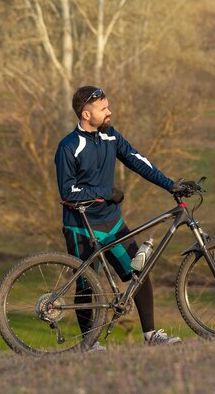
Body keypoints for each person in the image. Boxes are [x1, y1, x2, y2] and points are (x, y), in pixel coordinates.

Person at [54, 85, 181, 348]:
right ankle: (89, 344)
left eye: (107, 106)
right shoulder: (68, 147)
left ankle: (151, 336)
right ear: (86, 114)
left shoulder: (110, 136)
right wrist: (105, 192)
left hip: (113, 223)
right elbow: (67, 192)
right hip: (82, 226)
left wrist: (171, 185)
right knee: (87, 286)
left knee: (139, 272)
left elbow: (137, 160)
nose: (109, 112)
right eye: (103, 109)